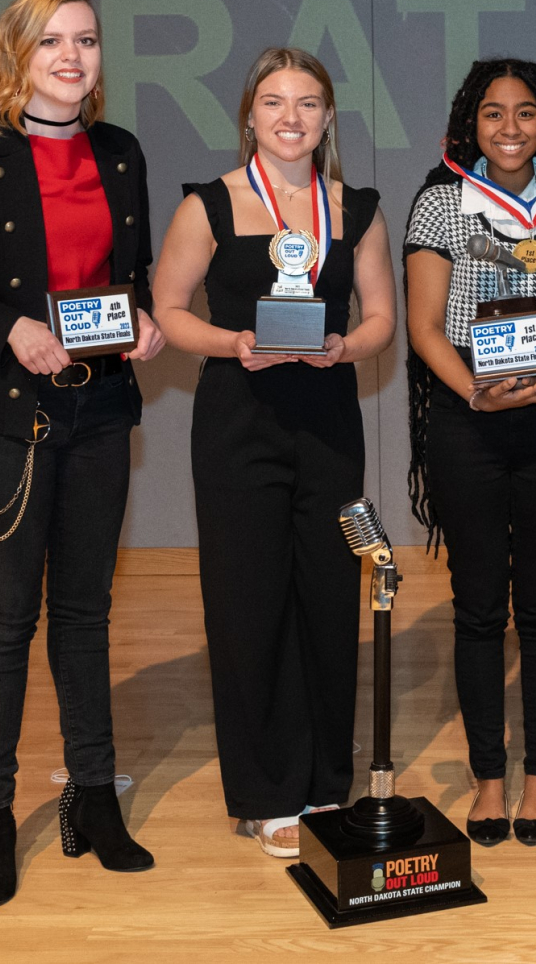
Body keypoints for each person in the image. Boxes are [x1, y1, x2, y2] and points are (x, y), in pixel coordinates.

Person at [0, 0, 167, 908]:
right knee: (5, 621)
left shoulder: (121, 153)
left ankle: (93, 799)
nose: (71, 58)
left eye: (86, 41)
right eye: (50, 41)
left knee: (86, 615)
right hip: (6, 417)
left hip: (100, 414)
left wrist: (145, 319)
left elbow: (128, 276)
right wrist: (9, 330)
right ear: (14, 54)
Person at [152, 47, 395, 859]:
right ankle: (262, 794)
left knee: (328, 600)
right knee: (247, 605)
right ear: (249, 117)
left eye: (309, 102)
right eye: (273, 102)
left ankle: (326, 783)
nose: (290, 117)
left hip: (327, 424)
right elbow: (167, 310)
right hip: (236, 425)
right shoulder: (208, 206)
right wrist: (232, 343)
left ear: (328, 117)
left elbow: (381, 321)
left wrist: (343, 349)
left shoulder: (355, 208)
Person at [401, 59, 536, 848]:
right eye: (492, 114)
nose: (508, 128)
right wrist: (472, 392)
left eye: (524, 113)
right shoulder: (439, 203)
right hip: (467, 420)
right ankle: (487, 779)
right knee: (476, 610)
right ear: (471, 123)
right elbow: (423, 324)